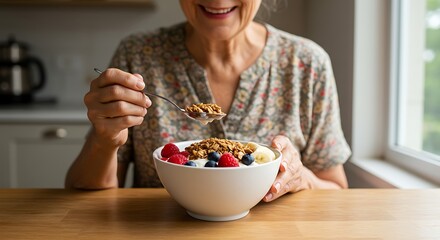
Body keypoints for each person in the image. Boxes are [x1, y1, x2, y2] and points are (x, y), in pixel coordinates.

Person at [65, 0, 352, 202]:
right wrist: (105, 139)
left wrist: (303, 178)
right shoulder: (139, 55)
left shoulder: (306, 64)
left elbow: (337, 192)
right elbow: (85, 195)